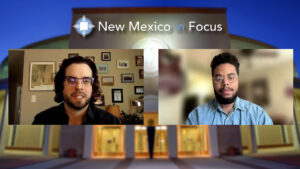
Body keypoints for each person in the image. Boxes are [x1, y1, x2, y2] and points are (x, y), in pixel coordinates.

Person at [185, 53, 273, 125]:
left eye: (231, 77)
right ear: (212, 81)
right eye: (219, 78)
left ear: (237, 80)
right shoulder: (196, 117)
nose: (225, 83)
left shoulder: (258, 115)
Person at [33, 56, 120, 124]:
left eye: (86, 80)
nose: (79, 87)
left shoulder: (112, 122)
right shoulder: (41, 120)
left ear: (93, 86)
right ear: (61, 84)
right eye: (71, 80)